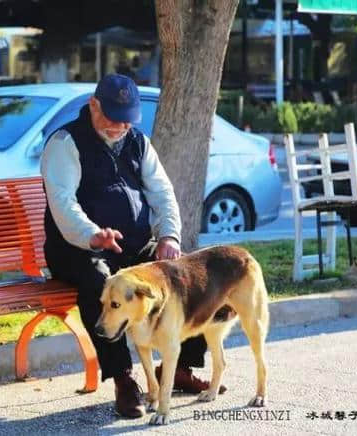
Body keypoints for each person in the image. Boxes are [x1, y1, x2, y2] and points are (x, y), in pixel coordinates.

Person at [40, 73, 223, 419]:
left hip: (133, 245)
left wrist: (169, 236)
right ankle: (124, 380)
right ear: (93, 106)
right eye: (112, 116)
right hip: (79, 248)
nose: (120, 126)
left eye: (127, 118)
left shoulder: (138, 142)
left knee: (184, 275)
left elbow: (163, 194)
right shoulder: (65, 142)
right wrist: (93, 234)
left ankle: (182, 368)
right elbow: (63, 203)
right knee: (101, 282)